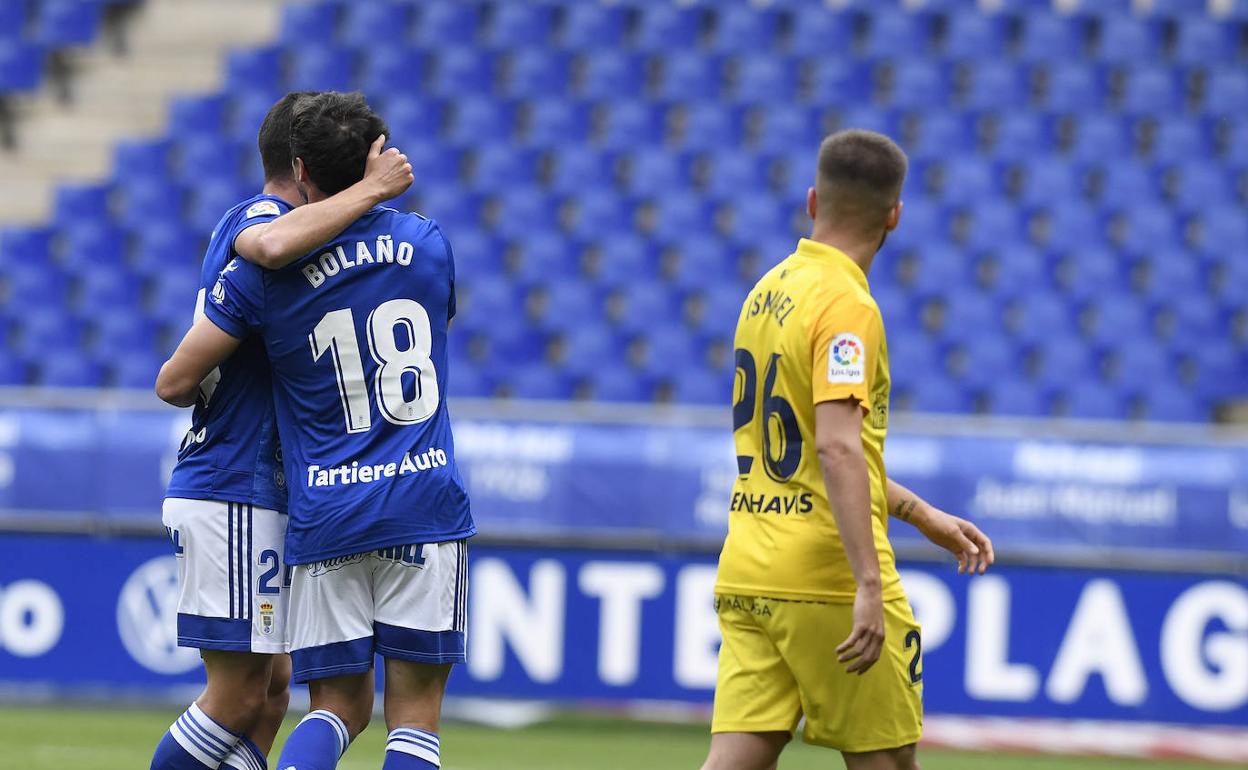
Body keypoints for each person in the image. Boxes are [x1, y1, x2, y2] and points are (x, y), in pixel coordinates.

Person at [156, 91, 473, 770]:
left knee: (290, 699)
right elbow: (268, 249)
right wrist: (375, 190)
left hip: (316, 504)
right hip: (255, 483)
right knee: (257, 699)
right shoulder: (275, 233)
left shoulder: (284, 272)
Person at [701, 129, 995, 770]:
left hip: (750, 568)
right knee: (887, 762)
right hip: (828, 575)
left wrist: (922, 515)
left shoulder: (767, 291)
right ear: (895, 215)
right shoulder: (847, 305)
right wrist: (867, 583)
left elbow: (807, 448)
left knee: (736, 759)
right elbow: (835, 448)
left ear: (812, 200)